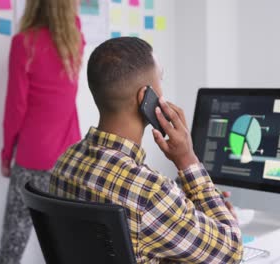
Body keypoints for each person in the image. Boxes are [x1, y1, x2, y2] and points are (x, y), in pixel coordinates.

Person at [50, 37, 243, 263]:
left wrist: (190, 214)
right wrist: (187, 160)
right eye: (160, 80)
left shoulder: (65, 162)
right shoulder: (150, 195)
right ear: (145, 97)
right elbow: (231, 252)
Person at [0, 0, 85, 263]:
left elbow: (15, 108)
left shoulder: (24, 43)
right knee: (67, 246)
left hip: (31, 159)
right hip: (69, 160)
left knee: (13, 243)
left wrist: (5, 156)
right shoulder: (75, 40)